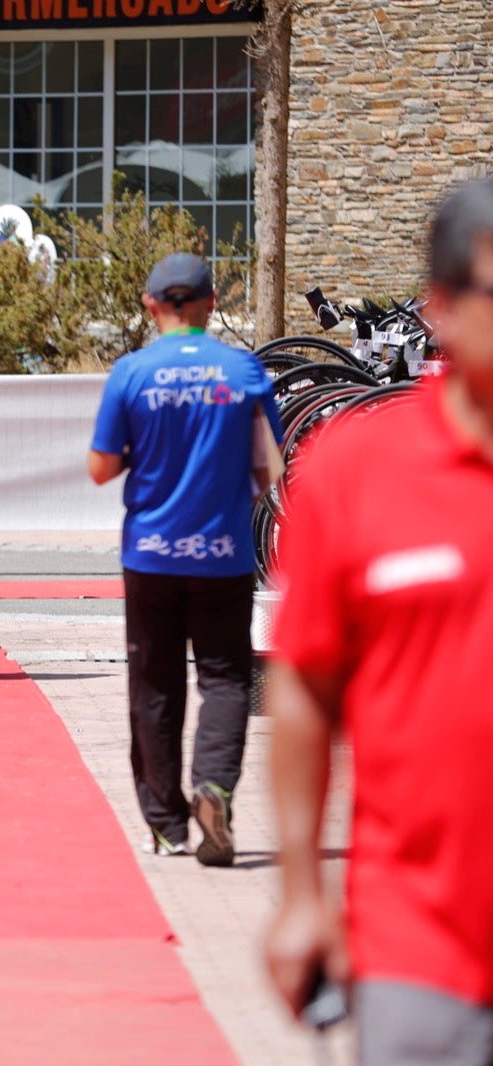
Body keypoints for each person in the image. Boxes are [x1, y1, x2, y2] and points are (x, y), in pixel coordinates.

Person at [264, 179, 493, 1061]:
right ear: (440, 308)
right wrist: (298, 896)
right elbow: (305, 688)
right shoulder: (359, 468)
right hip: (419, 950)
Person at [87, 252, 281, 864]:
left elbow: (101, 469)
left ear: (152, 306)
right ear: (211, 303)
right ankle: (214, 787)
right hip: (223, 553)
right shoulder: (245, 370)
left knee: (155, 686)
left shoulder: (132, 371)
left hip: (151, 553)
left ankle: (167, 826)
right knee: (225, 678)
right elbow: (269, 470)